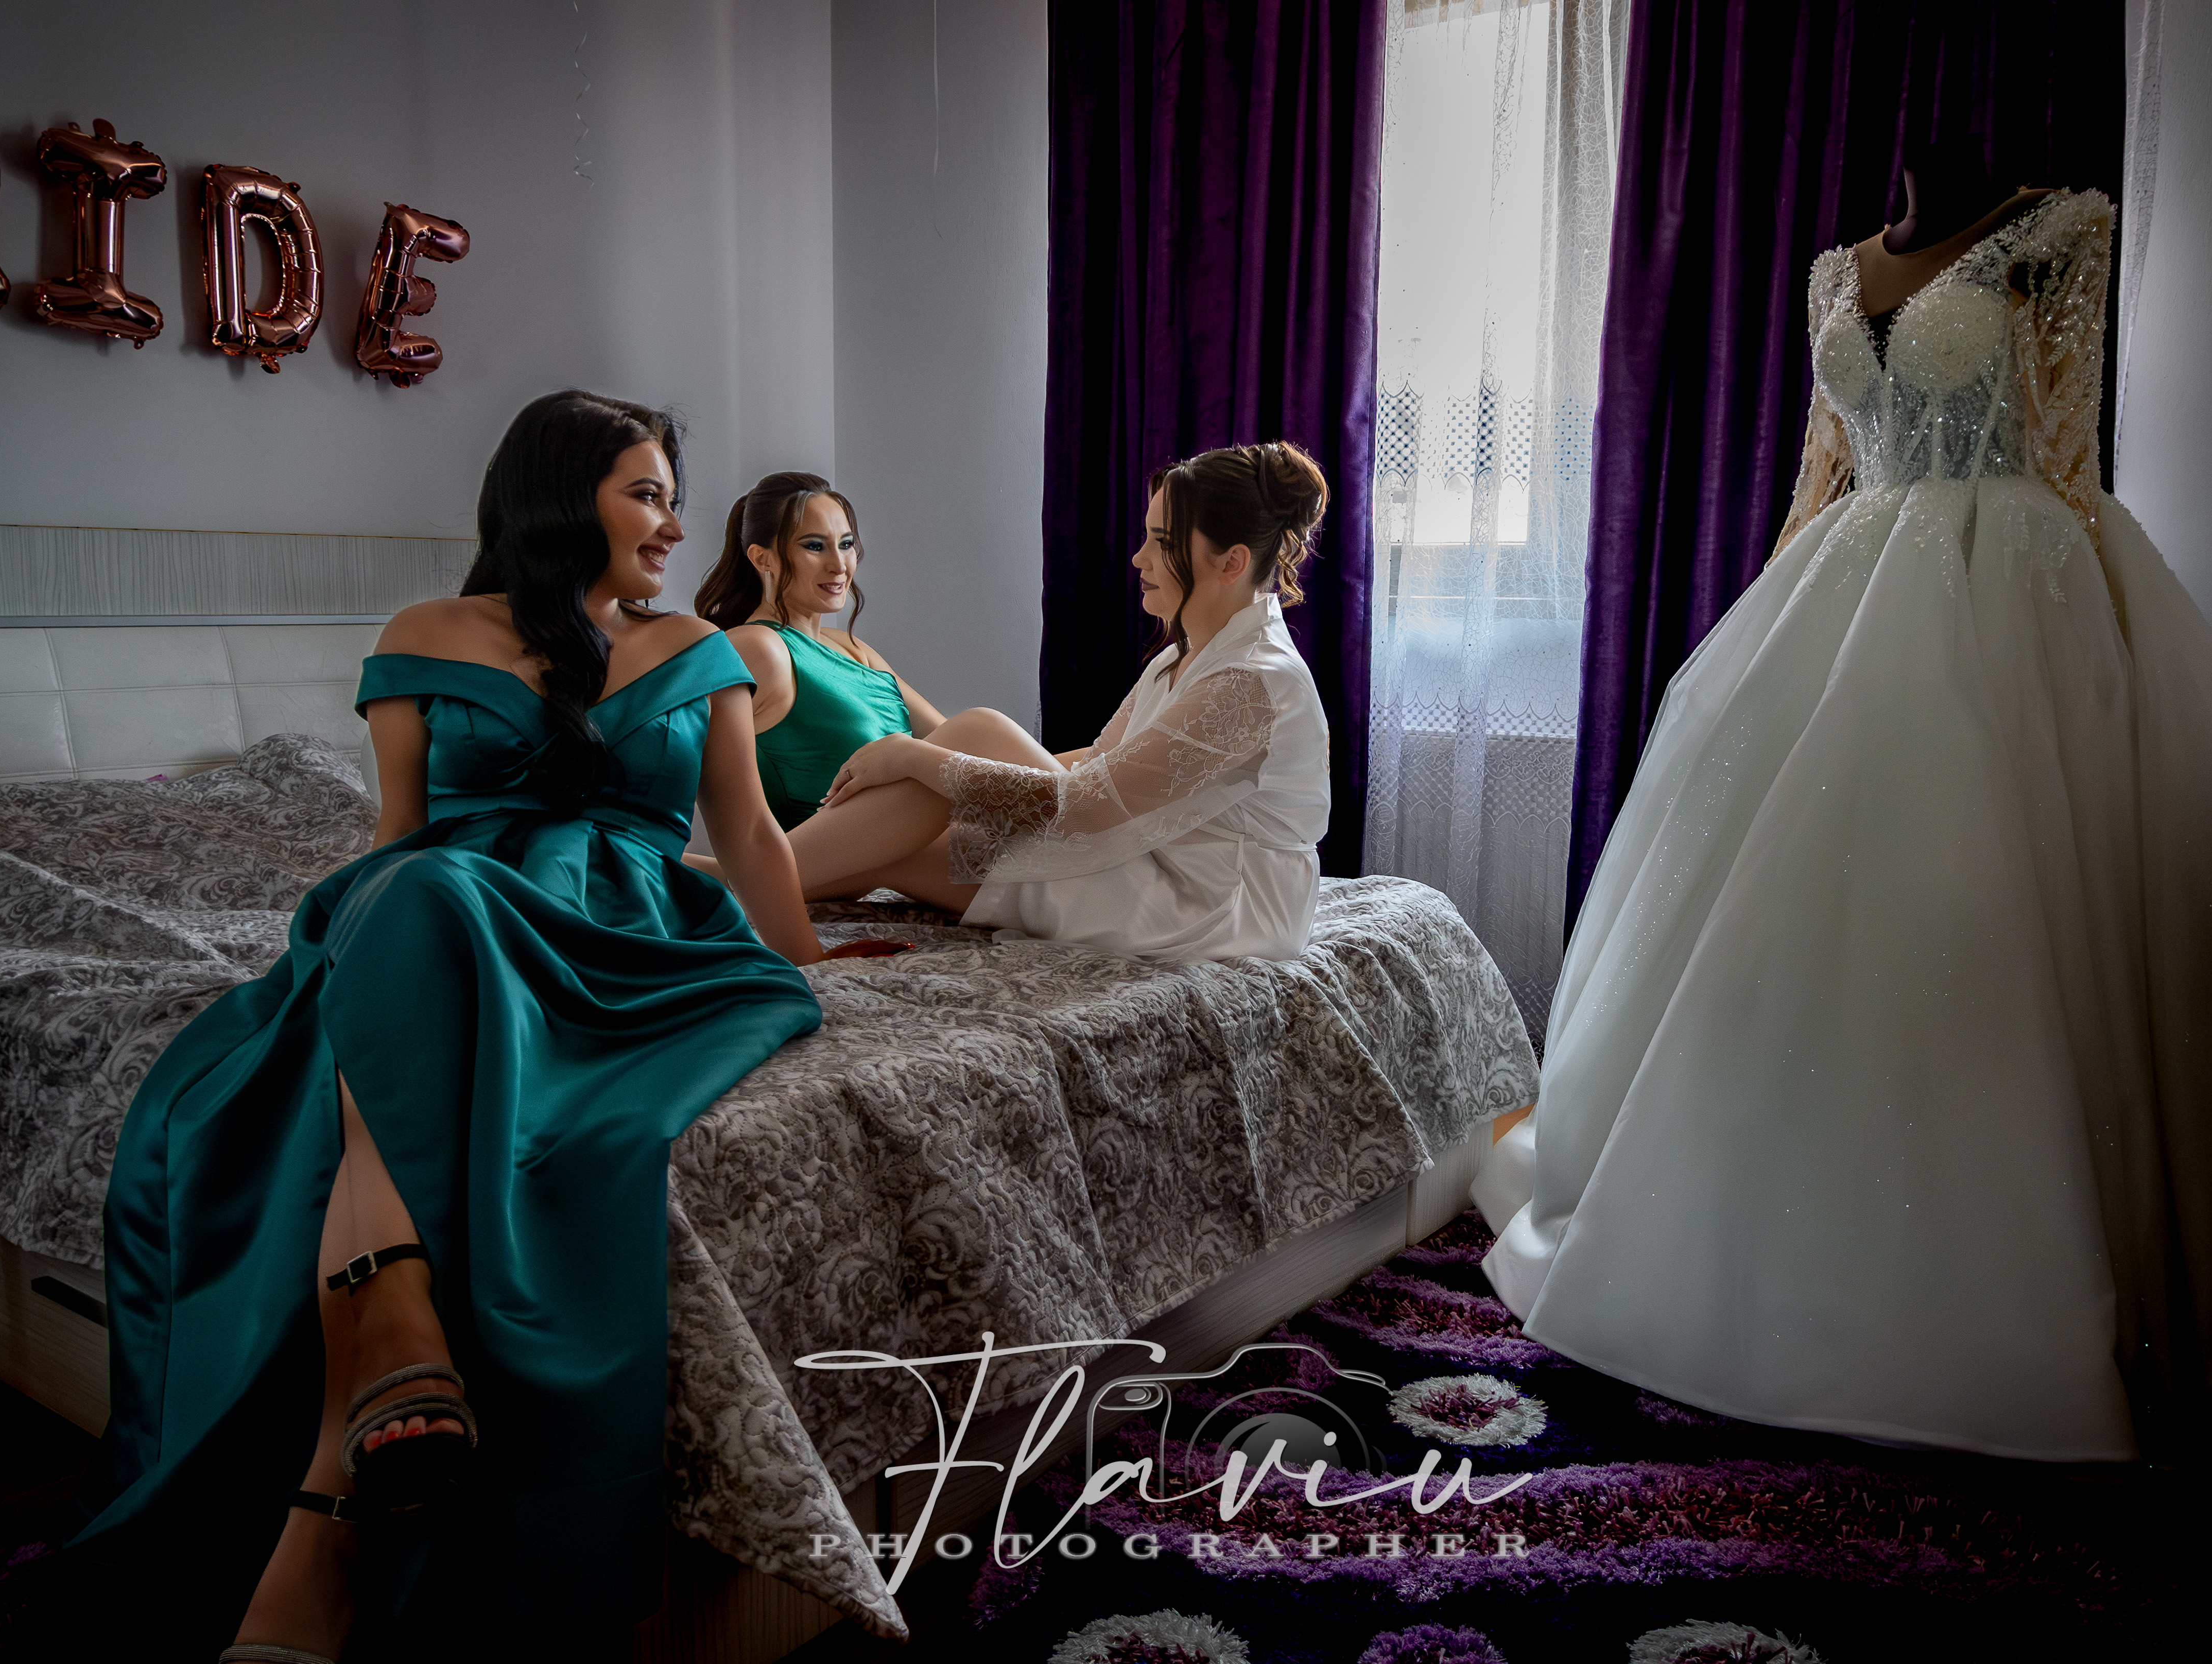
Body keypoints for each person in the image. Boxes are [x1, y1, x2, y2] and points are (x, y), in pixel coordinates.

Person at [1481, 157, 2212, 1466]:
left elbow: (2065, 450)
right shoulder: (1834, 269)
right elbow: (1823, 465)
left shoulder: (2061, 227)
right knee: (1778, 928)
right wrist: (1754, 651)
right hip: (1844, 572)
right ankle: (1752, 1246)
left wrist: (2095, 646)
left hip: (2007, 583)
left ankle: (1979, 1289)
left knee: (1969, 911)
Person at [79, 390, 901, 1658]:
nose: (672, 525)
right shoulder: (424, 634)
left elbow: (744, 833)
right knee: (422, 891)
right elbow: (398, 836)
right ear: (558, 496)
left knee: (425, 902)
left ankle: (371, 1373)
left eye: (672, 498)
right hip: (435, 917)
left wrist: (808, 960)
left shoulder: (697, 646)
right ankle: (377, 1373)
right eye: (645, 494)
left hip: (625, 937)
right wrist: (350, 946)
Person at [782, 441, 1333, 963]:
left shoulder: (1250, 683)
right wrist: (950, 779)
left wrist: (914, 758)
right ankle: (749, 880)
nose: (1139, 558)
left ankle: (748, 872)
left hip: (1208, 904)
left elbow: (1088, 808)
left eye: (1162, 542)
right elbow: (1102, 763)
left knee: (976, 735)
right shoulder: (1184, 657)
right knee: (893, 842)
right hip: (1156, 860)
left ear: (1231, 563)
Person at [685, 472, 1067, 895]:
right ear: (763, 559)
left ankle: (1094, 808)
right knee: (982, 727)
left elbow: (962, 751)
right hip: (841, 857)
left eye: (846, 544)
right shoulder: (758, 647)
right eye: (815, 546)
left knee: (1076, 759)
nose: (839, 565)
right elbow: (701, 772)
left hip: (923, 844)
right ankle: (1094, 819)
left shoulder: (854, 649)